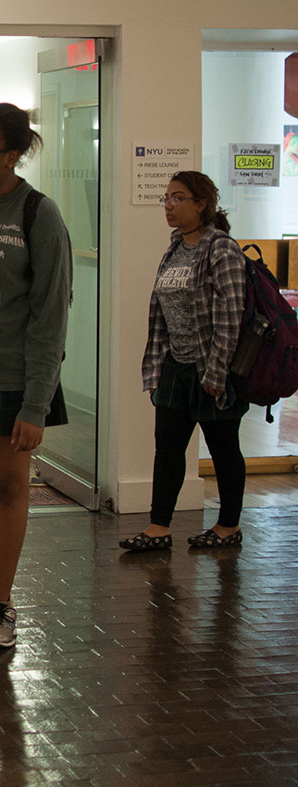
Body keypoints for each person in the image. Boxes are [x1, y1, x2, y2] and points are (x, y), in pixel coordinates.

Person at [120, 171, 247, 552]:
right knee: (168, 448)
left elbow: (232, 314)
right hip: (176, 365)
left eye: (178, 198)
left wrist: (217, 371)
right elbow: (160, 313)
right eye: (166, 198)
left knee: (223, 447)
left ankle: (228, 526)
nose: (169, 206)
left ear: (202, 204)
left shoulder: (221, 248)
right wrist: (157, 368)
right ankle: (158, 527)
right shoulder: (175, 248)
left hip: (212, 367)